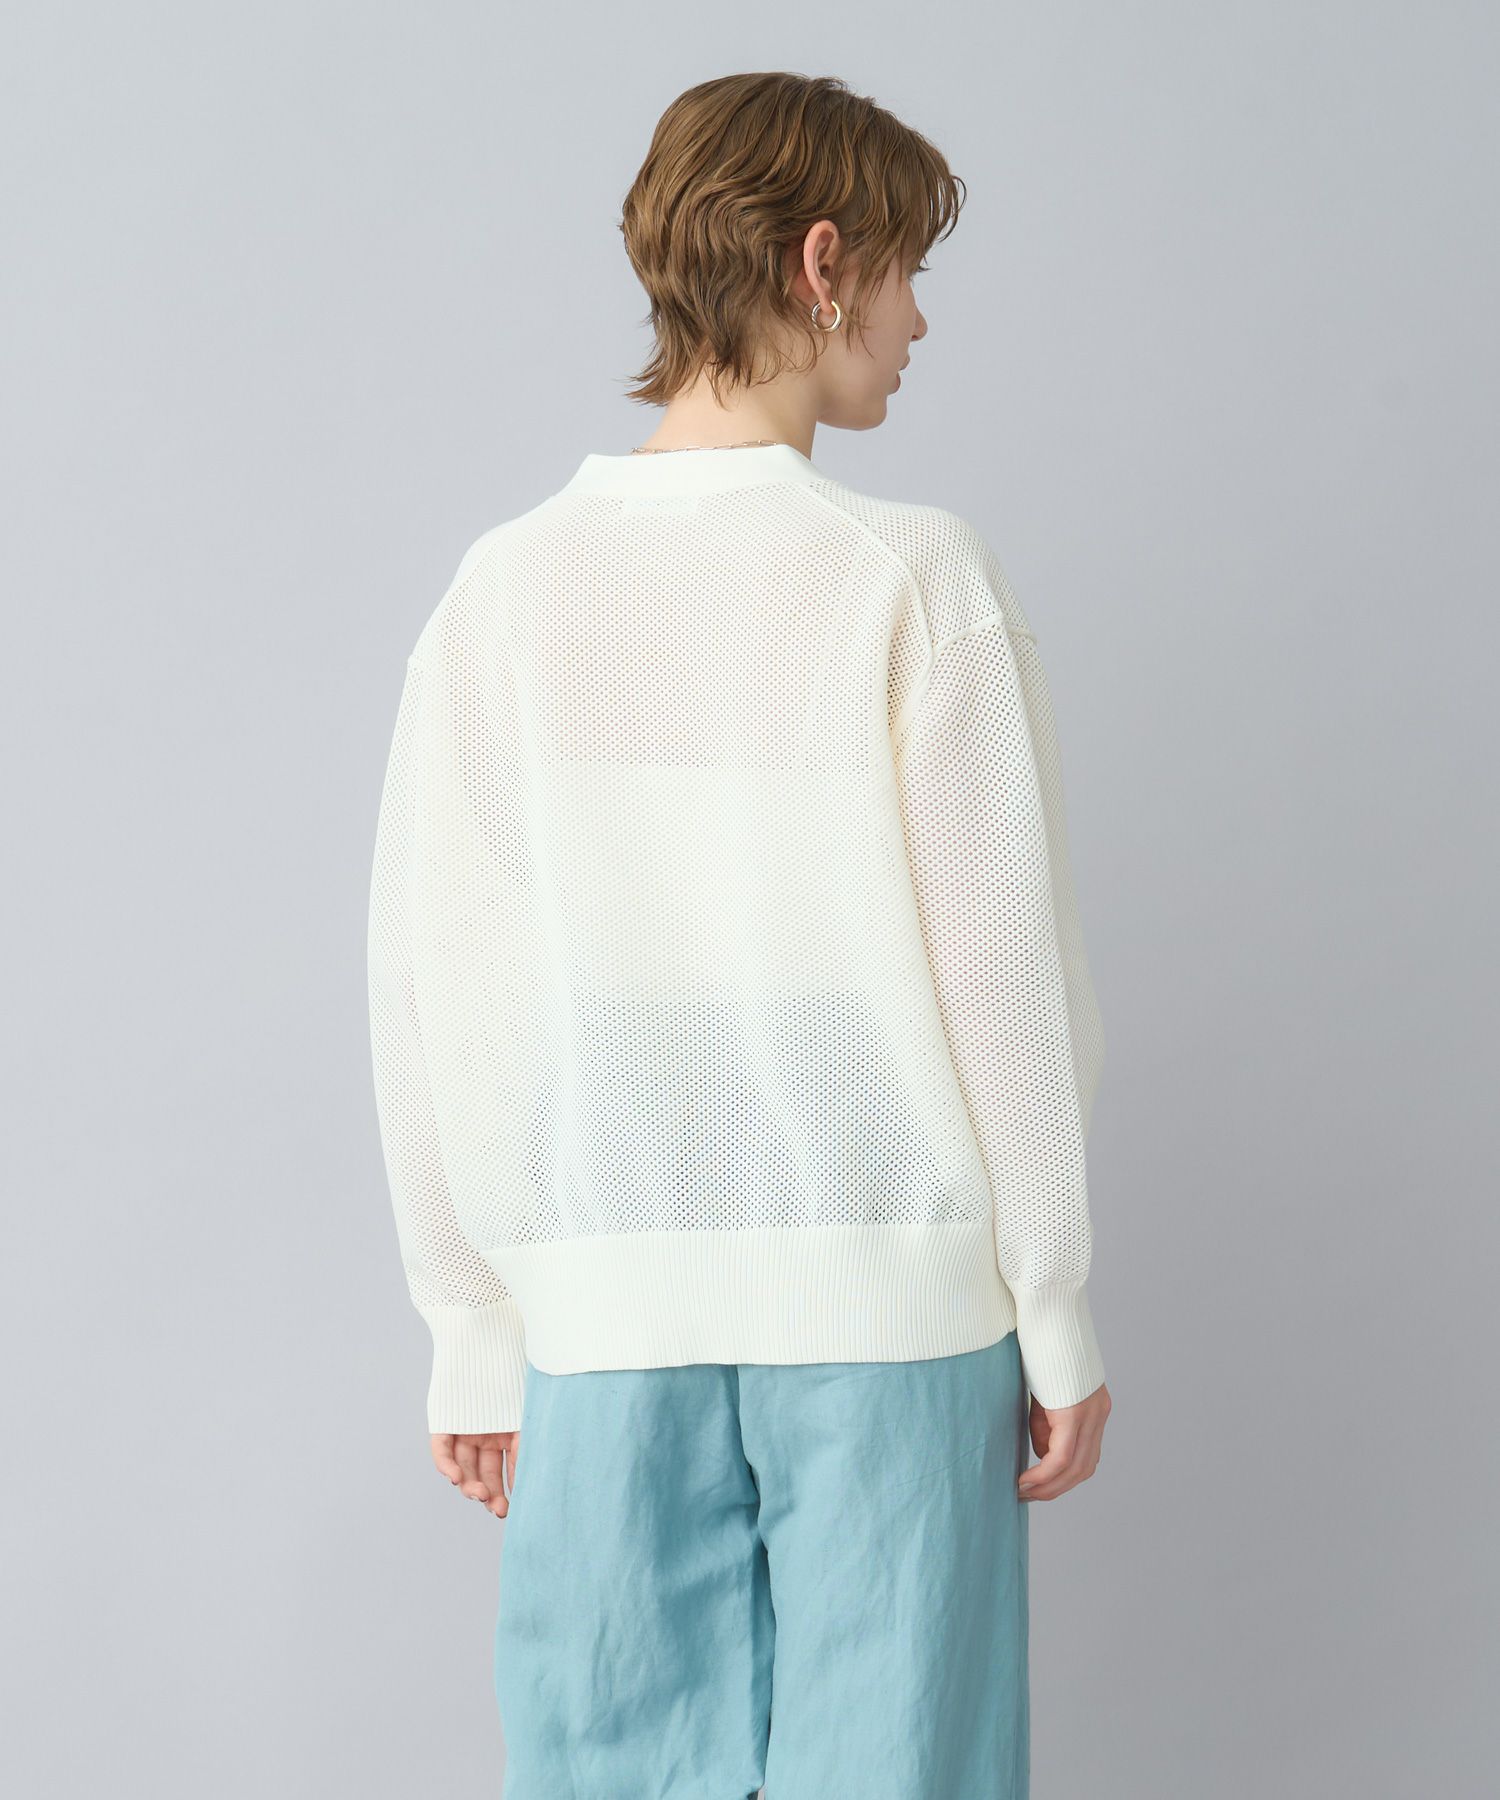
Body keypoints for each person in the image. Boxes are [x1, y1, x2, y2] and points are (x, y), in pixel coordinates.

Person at [367, 70, 1112, 1800]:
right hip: (894, 1314)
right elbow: (999, 981)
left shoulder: (504, 592)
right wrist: (1054, 1305)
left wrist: (472, 1319)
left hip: (601, 1323)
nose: (919, 325)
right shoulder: (909, 577)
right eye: (909, 274)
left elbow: (442, 982)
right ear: (824, 263)